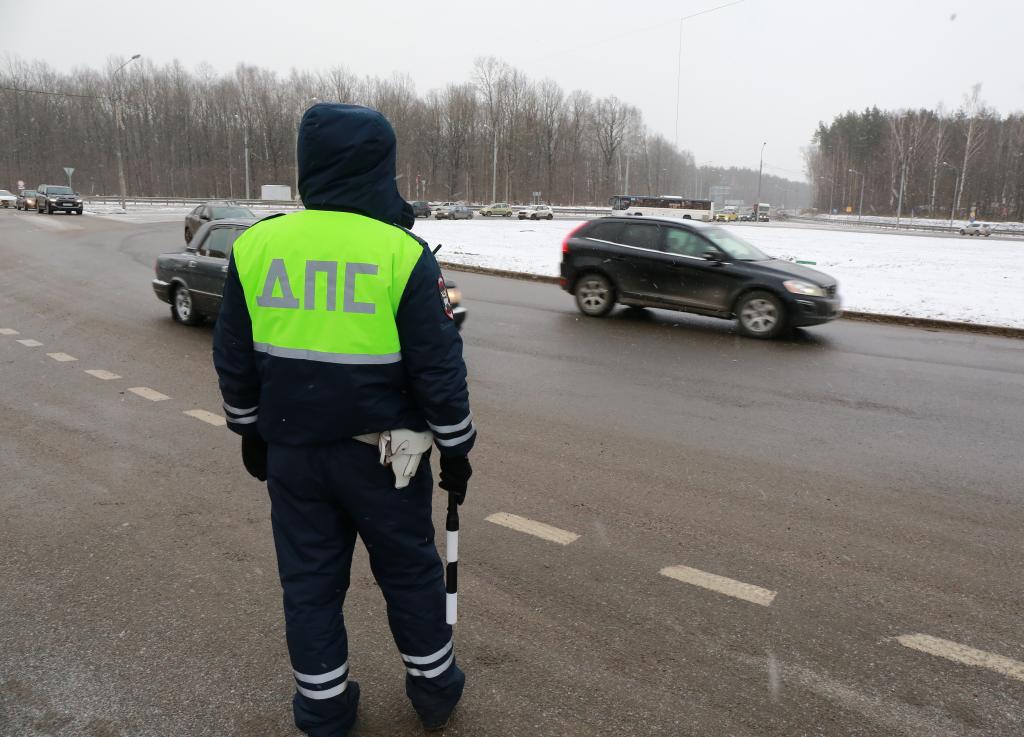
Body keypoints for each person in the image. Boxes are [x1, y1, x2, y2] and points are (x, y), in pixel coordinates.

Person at [212, 102, 476, 736]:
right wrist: (457, 446)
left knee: (308, 586)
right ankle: (435, 691)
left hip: (294, 457)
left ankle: (324, 709)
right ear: (378, 167)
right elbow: (438, 367)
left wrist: (248, 430)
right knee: (412, 575)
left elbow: (234, 357)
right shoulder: (401, 253)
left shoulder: (257, 245)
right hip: (386, 459)